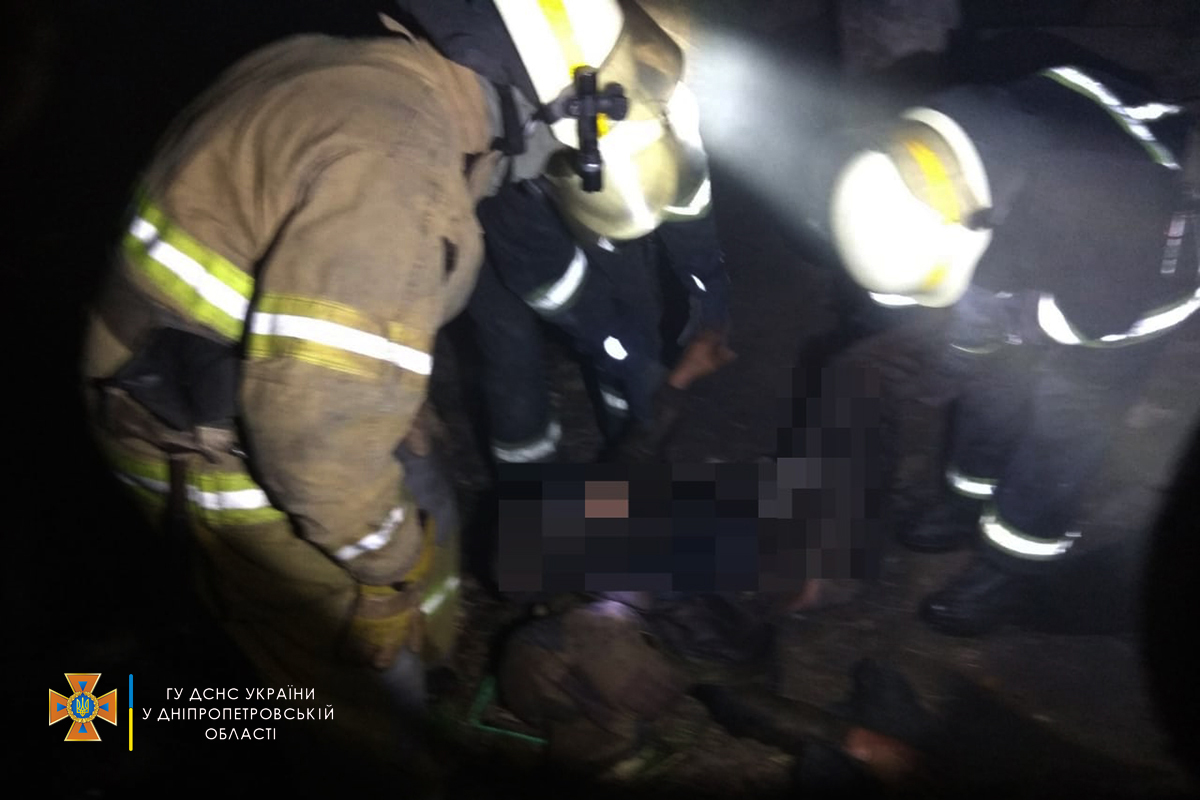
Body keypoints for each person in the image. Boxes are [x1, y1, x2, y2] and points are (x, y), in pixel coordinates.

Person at [80, 0, 710, 767]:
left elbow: (336, 296)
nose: (544, 168)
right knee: (353, 709)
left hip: (235, 387)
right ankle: (130, 717)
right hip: (213, 440)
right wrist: (383, 579)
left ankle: (406, 674)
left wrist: (387, 405)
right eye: (560, 146)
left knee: (419, 516)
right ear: (552, 99)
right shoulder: (399, 161)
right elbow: (315, 449)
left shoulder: (374, 81)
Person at [827, 65, 1199, 636]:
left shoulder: (1109, 200)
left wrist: (1016, 324)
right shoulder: (915, 160)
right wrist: (953, 350)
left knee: (1063, 425)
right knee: (989, 382)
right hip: (1036, 233)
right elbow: (921, 282)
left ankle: (1013, 564)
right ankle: (964, 504)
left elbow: (1100, 318)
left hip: (1135, 291)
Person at [393, 0, 733, 467]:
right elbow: (552, 284)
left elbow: (688, 198)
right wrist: (640, 367)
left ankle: (629, 443)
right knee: (511, 341)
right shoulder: (509, 142)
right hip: (486, 186)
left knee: (633, 299)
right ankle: (531, 487)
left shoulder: (659, 84)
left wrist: (709, 295)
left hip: (569, 146)